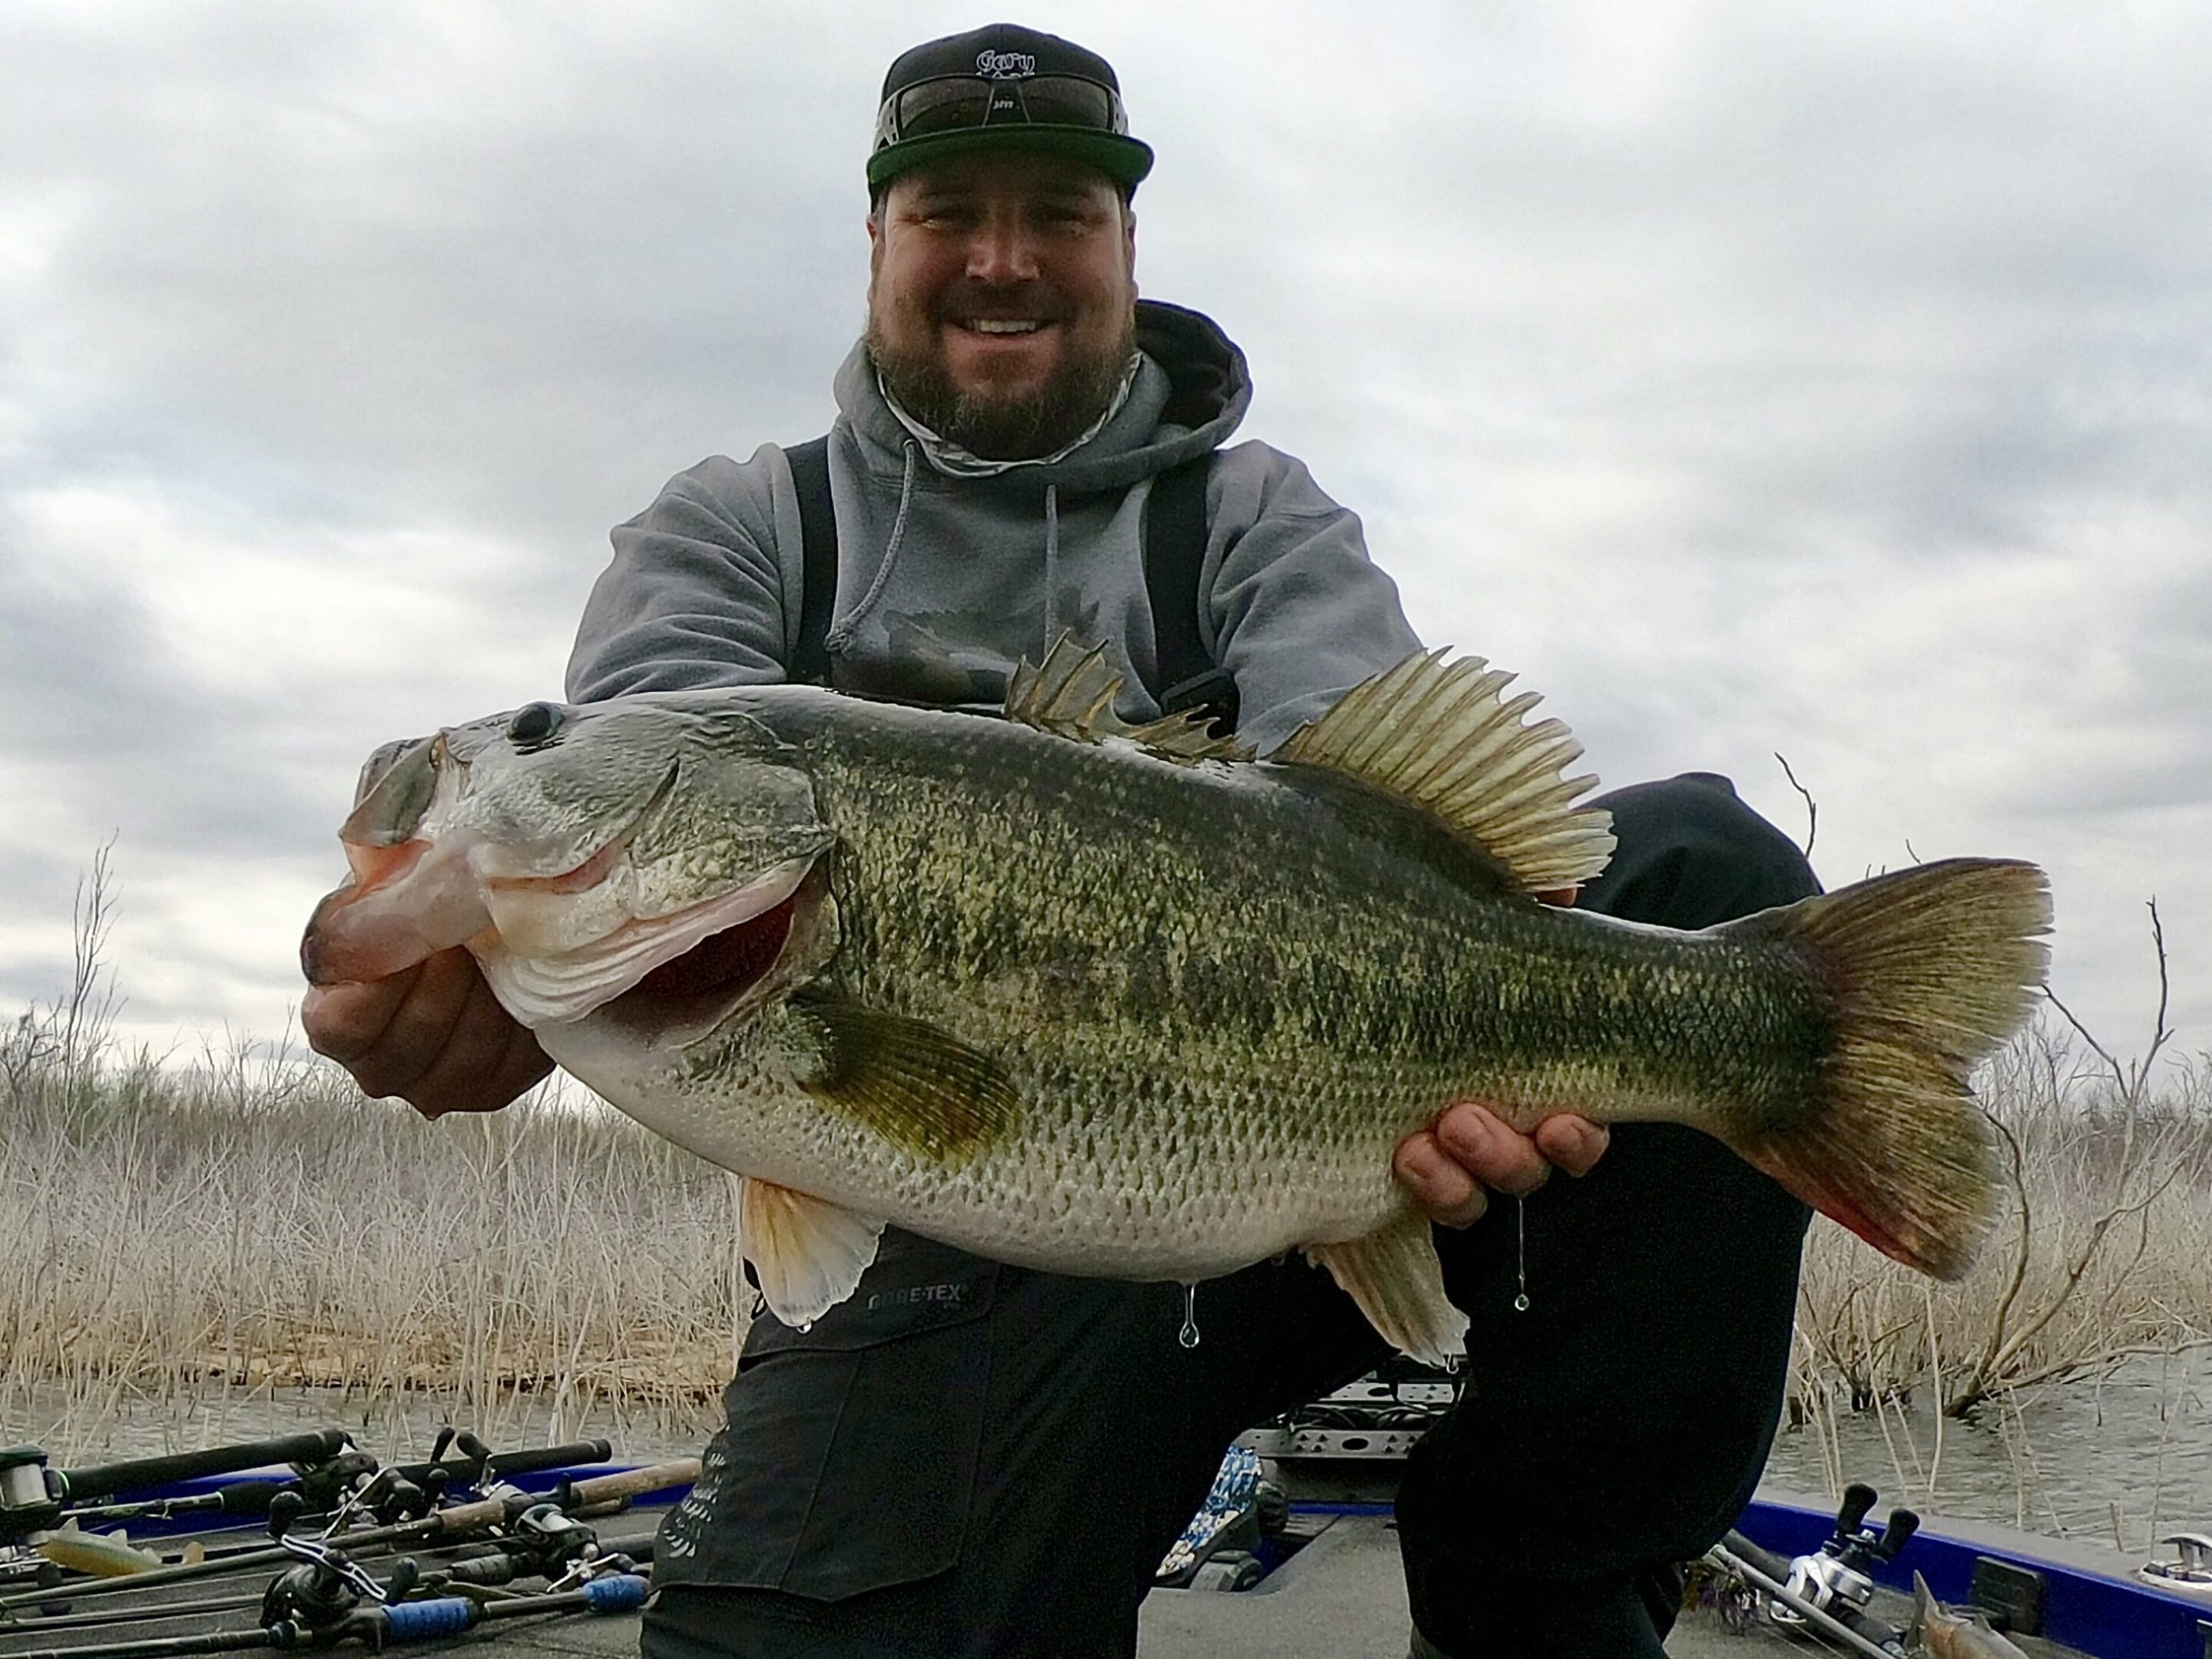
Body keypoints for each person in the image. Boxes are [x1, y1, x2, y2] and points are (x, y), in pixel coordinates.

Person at [302, 24, 1816, 1657]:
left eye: (1062, 214)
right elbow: (664, 749)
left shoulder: (1248, 519)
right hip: (927, 1246)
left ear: (1126, 248)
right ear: (877, 243)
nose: (1004, 259)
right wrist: (484, 966)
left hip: (1301, 1155)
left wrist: (1459, 1058)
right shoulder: (742, 532)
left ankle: (1543, 1590)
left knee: (1702, 882)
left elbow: (1393, 814)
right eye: (949, 209)